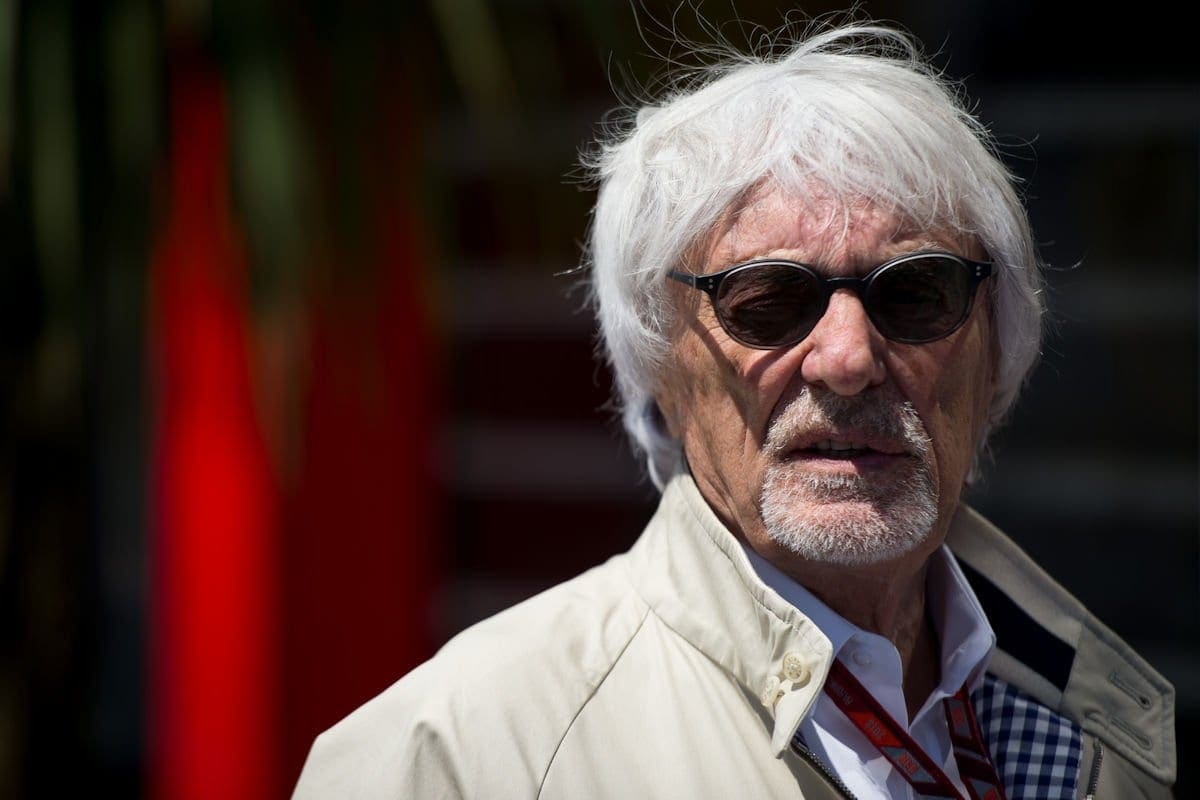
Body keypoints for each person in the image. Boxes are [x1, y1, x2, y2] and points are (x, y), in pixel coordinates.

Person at [293, 22, 1176, 799]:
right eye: (768, 302)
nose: (847, 359)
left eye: (915, 293)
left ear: (995, 353)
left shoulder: (1092, 734)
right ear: (660, 368)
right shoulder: (458, 757)